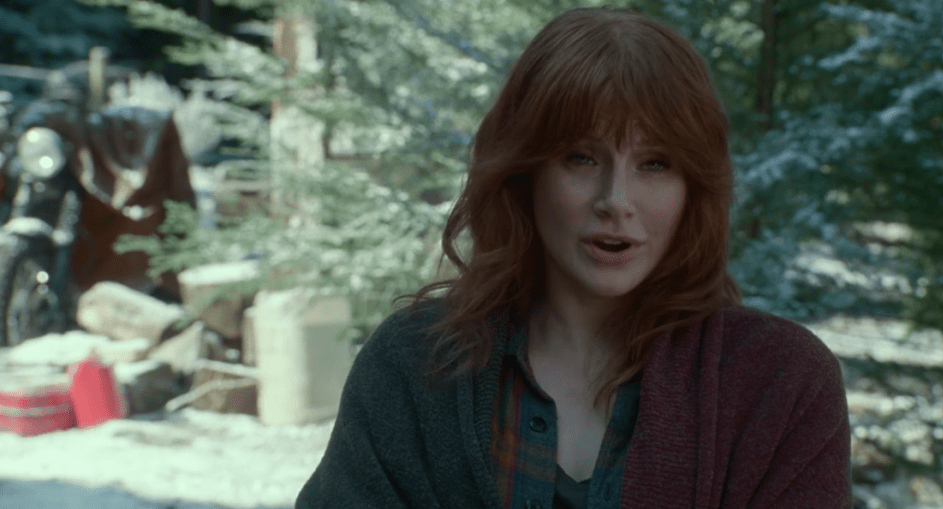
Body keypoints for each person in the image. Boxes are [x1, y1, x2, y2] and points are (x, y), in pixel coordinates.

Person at [296, 6, 851, 509]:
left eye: (655, 164)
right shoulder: (413, 365)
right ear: (526, 171)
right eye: (582, 158)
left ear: (692, 189)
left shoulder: (782, 386)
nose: (616, 200)